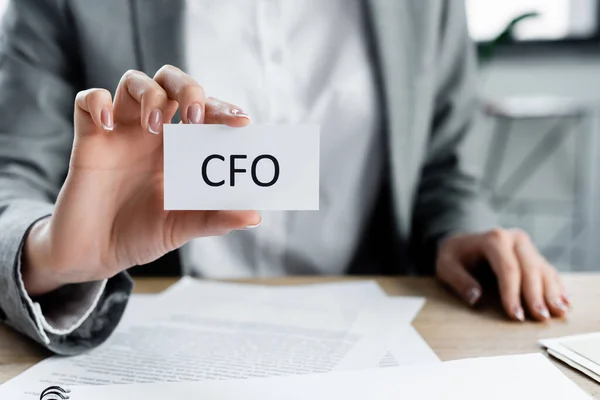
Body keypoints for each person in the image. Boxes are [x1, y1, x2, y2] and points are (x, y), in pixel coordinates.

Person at [0, 0, 569, 355]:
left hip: (381, 343)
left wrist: (460, 231)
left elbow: (443, 167)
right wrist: (50, 252)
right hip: (145, 347)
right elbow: (12, 176)